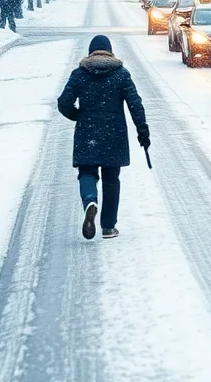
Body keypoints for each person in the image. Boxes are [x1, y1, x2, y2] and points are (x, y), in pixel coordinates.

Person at [57, 35, 149, 240]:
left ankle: (90, 200)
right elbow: (135, 104)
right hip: (113, 133)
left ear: (90, 52)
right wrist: (142, 129)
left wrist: (77, 115)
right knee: (111, 179)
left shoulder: (79, 74)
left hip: (87, 131)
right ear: (110, 51)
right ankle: (108, 226)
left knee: (87, 172)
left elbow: (63, 102)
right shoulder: (121, 75)